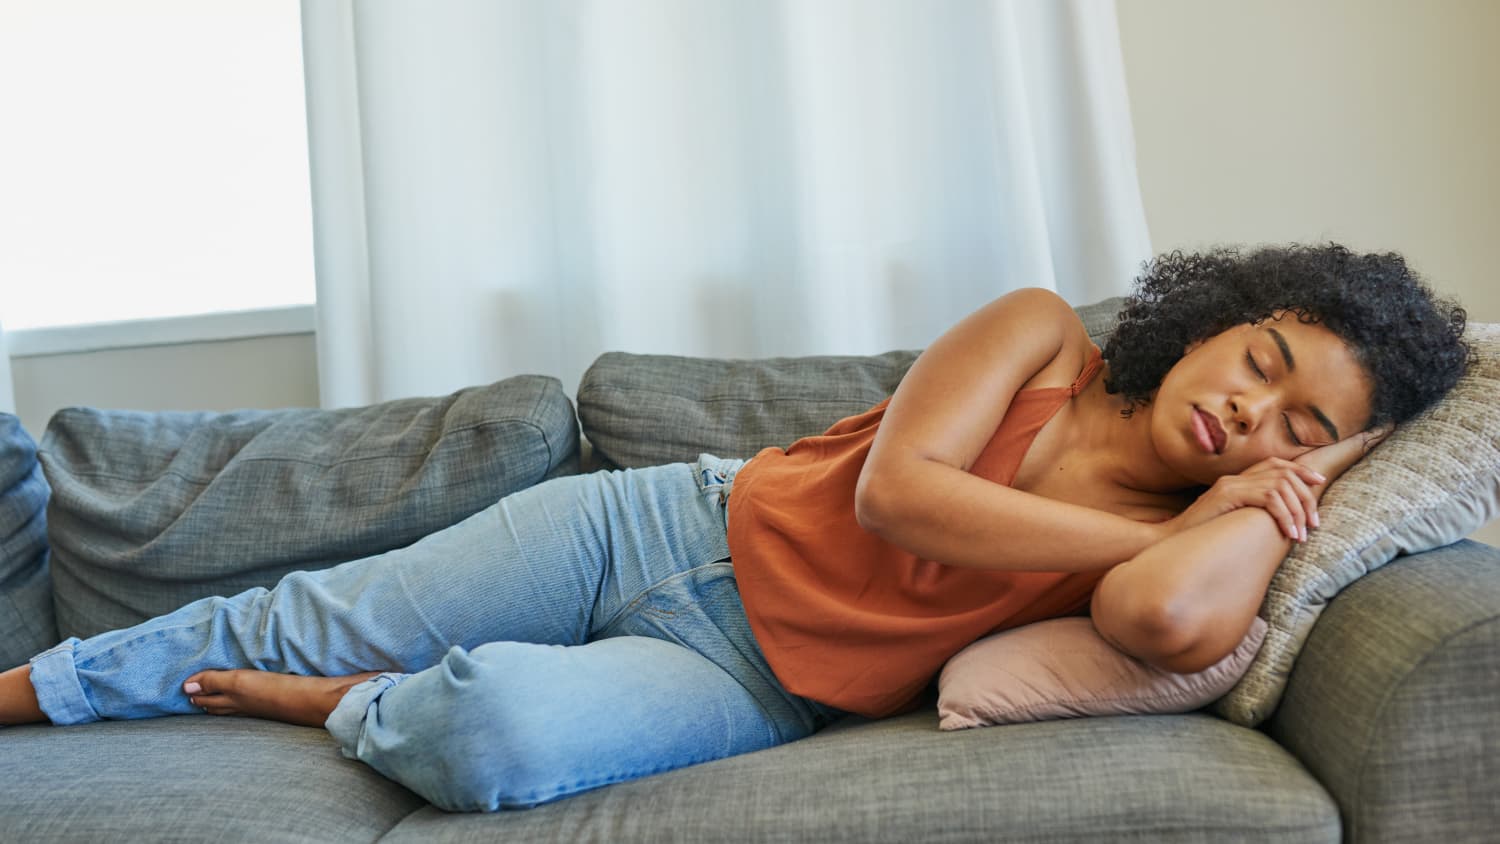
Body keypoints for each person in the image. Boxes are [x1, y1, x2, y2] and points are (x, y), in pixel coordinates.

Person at [0, 243, 1470, 812]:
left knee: (498, 745)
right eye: (1262, 364)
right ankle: (23, 691)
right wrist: (1166, 526)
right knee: (306, 604)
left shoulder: (1214, 532)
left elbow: (1170, 625)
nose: (1250, 418)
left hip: (756, 684)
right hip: (662, 526)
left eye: (1305, 434)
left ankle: (351, 711)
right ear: (1223, 323)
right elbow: (900, 496)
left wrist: (1263, 514)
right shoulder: (1037, 334)